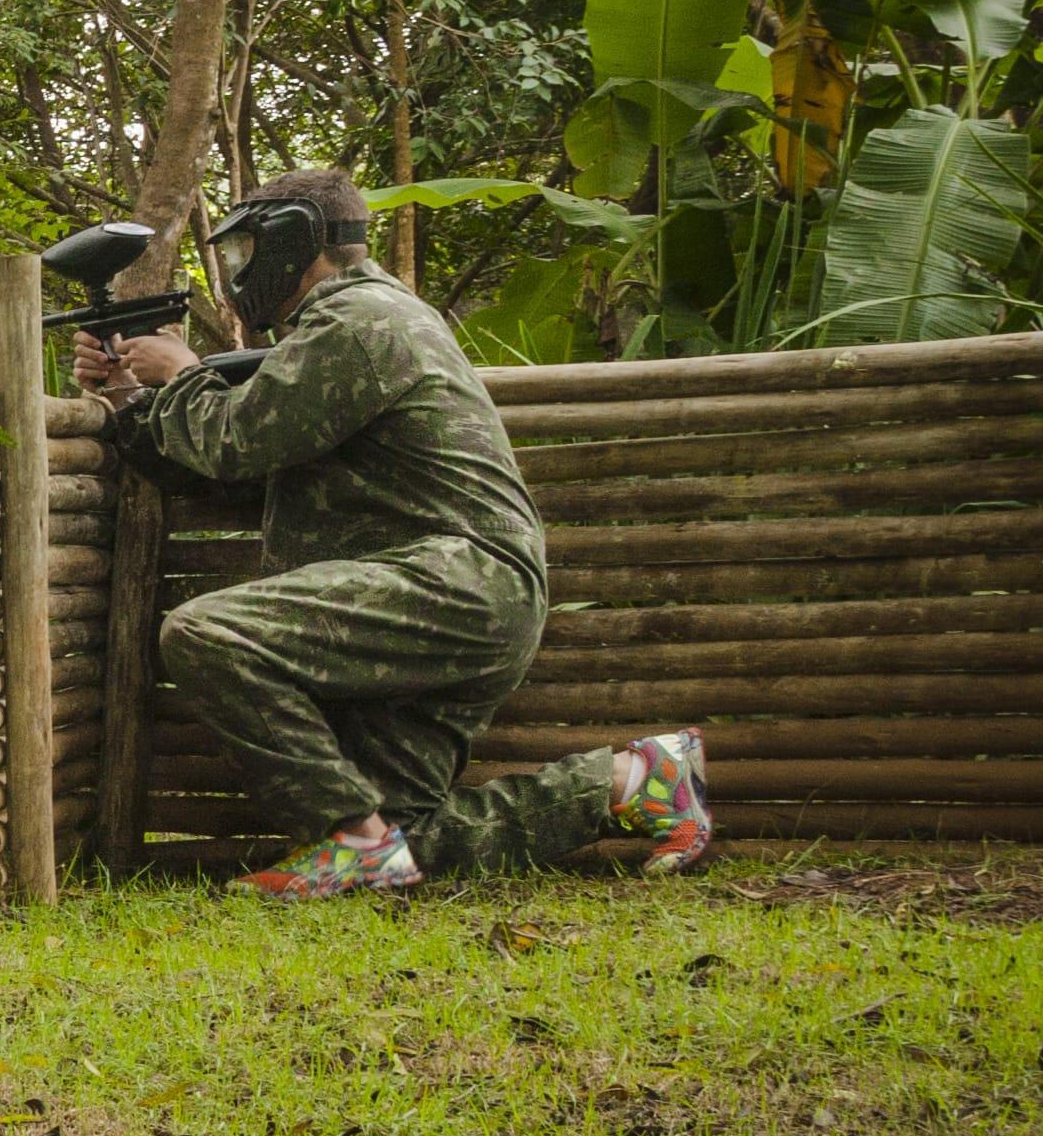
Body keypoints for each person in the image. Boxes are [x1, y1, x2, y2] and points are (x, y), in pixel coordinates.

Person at [76, 165, 705, 896]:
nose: (243, 273)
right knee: (412, 836)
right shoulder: (341, 330)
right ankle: (632, 782)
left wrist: (181, 371)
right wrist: (127, 392)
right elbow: (230, 475)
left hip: (458, 580)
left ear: (295, 241)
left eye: (247, 253)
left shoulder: (365, 320)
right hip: (443, 591)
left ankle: (351, 838)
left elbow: (234, 441)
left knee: (209, 633)